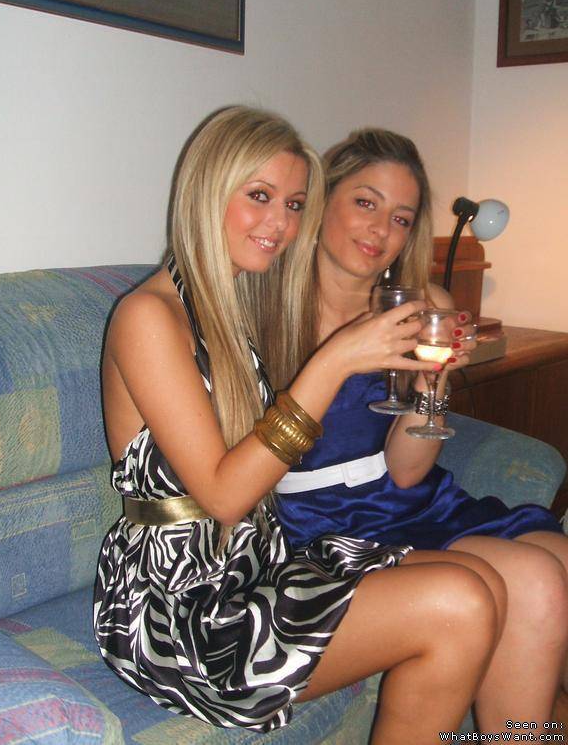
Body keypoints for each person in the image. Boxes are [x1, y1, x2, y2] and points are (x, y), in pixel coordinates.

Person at [93, 106, 499, 743]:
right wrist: (334, 362)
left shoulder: (227, 309)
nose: (280, 224)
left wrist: (427, 378)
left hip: (259, 560)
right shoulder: (148, 317)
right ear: (208, 191)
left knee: (484, 583)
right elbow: (224, 496)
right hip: (183, 605)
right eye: (259, 196)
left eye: (294, 205)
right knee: (460, 602)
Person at [272, 127, 568, 728]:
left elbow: (407, 472)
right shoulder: (268, 304)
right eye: (365, 202)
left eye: (402, 218)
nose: (381, 230)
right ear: (322, 200)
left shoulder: (421, 307)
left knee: (557, 562)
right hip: (316, 522)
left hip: (406, 499)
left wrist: (433, 385)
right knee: (535, 577)